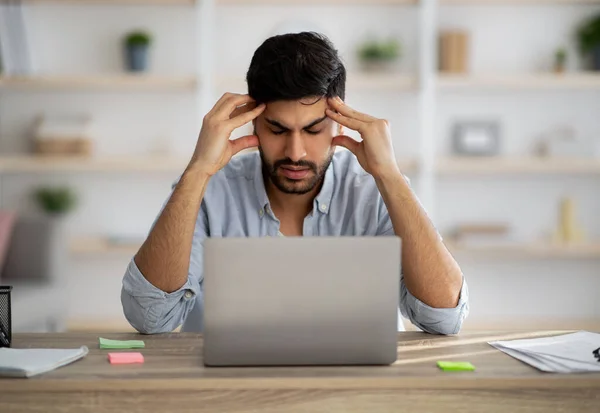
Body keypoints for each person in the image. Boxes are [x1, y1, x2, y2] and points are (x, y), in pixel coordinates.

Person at [121, 32, 469, 335]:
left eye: (314, 130)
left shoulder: (376, 189)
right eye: (277, 130)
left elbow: (445, 318)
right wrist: (197, 170)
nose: (295, 152)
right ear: (252, 124)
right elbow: (151, 317)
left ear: (341, 124)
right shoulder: (210, 190)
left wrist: (390, 176)